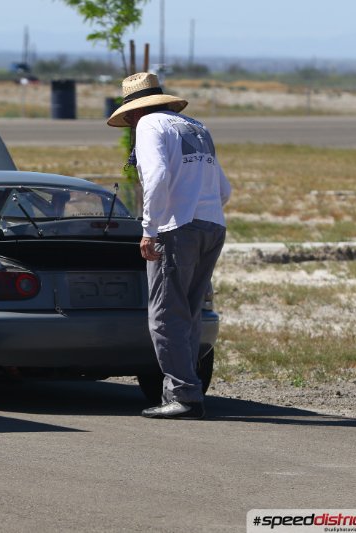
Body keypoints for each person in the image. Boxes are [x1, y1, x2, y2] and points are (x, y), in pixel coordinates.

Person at [107, 72, 232, 420]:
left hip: (176, 228)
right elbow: (224, 189)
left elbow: (157, 176)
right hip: (212, 225)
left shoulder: (149, 126)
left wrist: (150, 229)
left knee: (164, 316)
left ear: (133, 112)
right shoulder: (196, 126)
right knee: (189, 313)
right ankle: (187, 391)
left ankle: (183, 395)